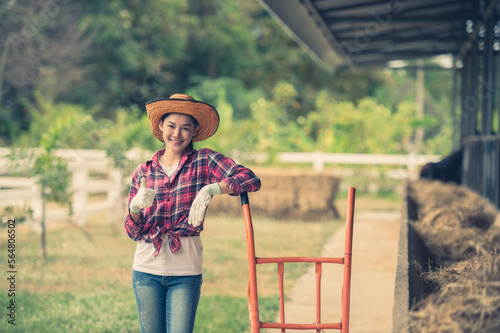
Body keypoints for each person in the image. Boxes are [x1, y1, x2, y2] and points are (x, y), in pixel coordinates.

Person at [124, 93, 261, 333]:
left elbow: (250, 179)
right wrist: (135, 207)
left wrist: (212, 188)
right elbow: (133, 230)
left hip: (185, 270)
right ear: (160, 126)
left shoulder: (204, 161)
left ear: (194, 132)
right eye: (171, 126)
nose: (177, 134)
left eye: (185, 128)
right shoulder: (143, 172)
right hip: (146, 270)